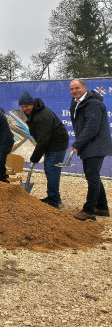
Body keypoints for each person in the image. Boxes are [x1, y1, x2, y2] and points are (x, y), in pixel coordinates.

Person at [68, 79, 111, 221]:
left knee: (92, 177)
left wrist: (77, 144)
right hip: (88, 144)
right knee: (93, 176)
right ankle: (102, 208)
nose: (75, 91)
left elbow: (91, 128)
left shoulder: (94, 103)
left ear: (85, 88)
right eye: (72, 89)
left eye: (77, 88)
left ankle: (89, 211)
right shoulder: (76, 102)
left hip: (96, 145)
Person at [19, 91, 69, 209]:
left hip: (57, 145)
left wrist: (35, 158)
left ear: (32, 104)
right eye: (22, 106)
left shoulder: (42, 116)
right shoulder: (35, 112)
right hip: (51, 144)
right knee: (50, 170)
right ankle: (54, 197)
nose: (24, 109)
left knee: (52, 170)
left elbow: (43, 140)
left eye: (26, 106)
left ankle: (53, 200)